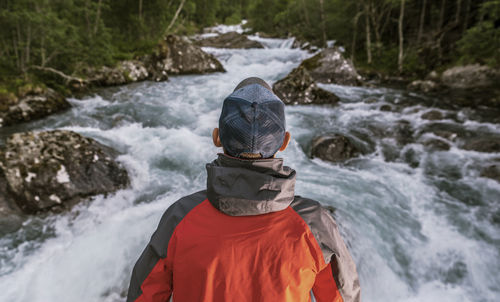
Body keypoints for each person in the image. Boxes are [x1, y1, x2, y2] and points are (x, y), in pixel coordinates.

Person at [126, 77, 361, 302]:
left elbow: (143, 296)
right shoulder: (314, 225)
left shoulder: (179, 218)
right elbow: (343, 297)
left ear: (216, 137)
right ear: (285, 142)